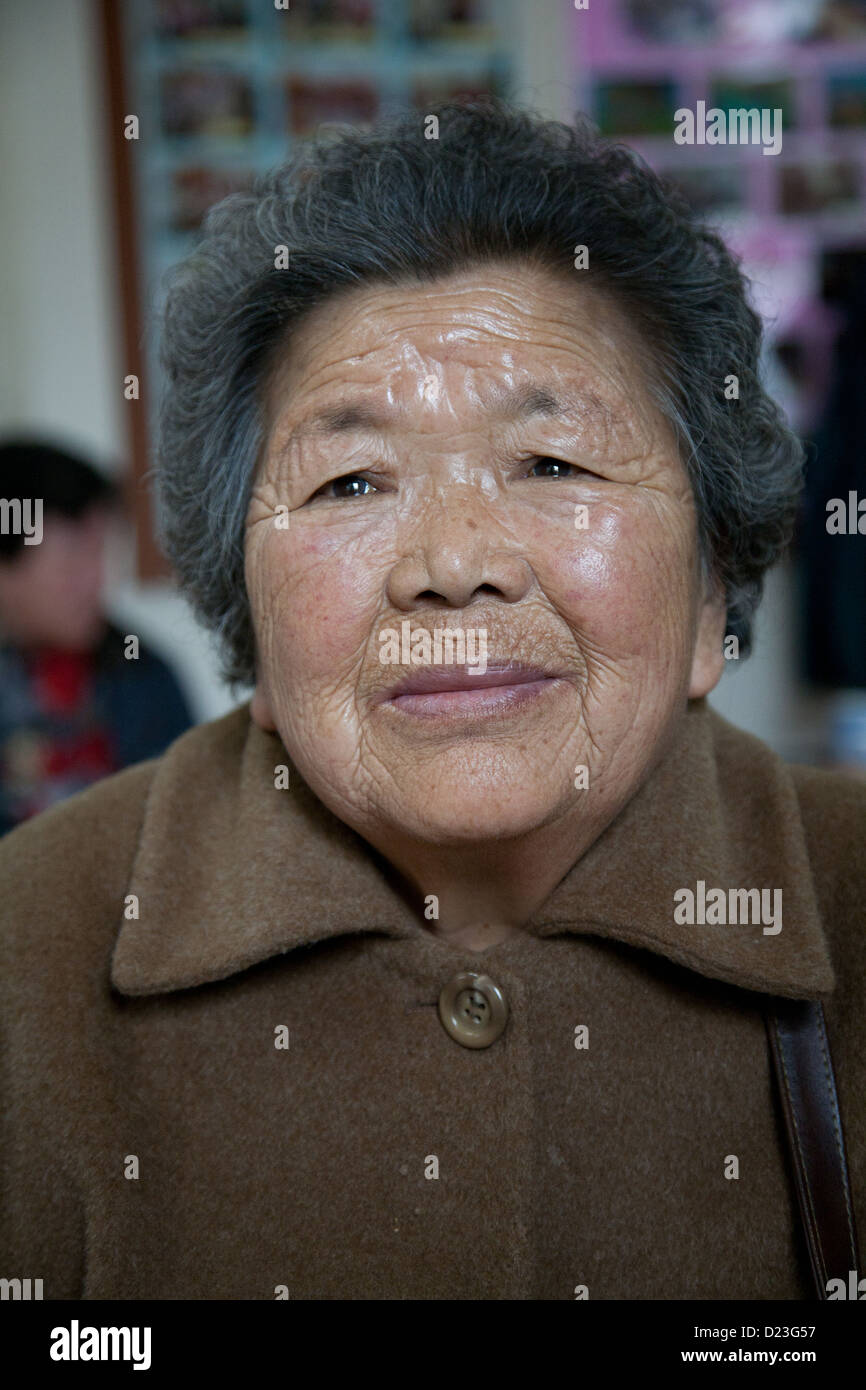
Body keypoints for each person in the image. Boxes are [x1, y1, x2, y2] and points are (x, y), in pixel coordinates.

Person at [1, 101, 863, 1300]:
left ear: (712, 591)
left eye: (552, 464)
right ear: (248, 622)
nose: (454, 560)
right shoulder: (24, 951)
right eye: (350, 480)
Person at [0, 440, 194, 834]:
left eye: (100, 553)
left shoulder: (143, 674)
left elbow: (188, 818)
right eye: (72, 558)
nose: (97, 581)